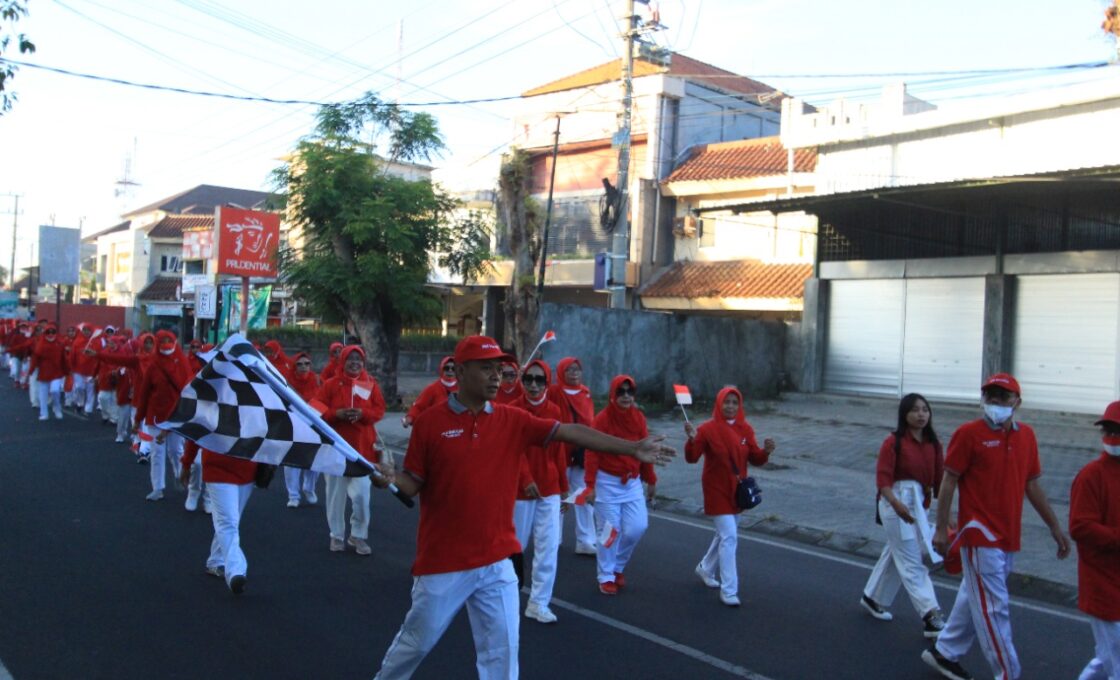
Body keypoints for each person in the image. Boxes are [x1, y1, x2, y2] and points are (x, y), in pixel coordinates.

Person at [370, 336, 674, 680]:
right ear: (461, 371)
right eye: (486, 368)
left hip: (497, 562)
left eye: (499, 369)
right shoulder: (430, 423)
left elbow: (570, 431)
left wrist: (632, 448)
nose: (496, 376)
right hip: (444, 561)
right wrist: (389, 478)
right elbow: (412, 483)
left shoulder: (512, 419)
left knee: (502, 653)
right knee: (416, 644)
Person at [922, 373, 1072, 680]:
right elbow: (949, 480)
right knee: (994, 609)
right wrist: (940, 528)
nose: (995, 401)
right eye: (990, 395)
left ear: (1017, 402)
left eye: (1003, 396)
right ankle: (1008, 674)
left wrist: (1055, 527)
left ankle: (945, 651)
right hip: (979, 535)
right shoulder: (969, 434)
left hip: (1008, 536)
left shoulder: (1026, 436)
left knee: (973, 595)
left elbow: (1032, 485)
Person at [859, 393, 945, 635]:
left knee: (897, 550)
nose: (921, 414)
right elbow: (883, 481)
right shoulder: (893, 442)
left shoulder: (934, 444)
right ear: (904, 414)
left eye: (925, 409)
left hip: (920, 504)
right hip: (895, 503)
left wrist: (946, 514)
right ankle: (931, 614)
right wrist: (896, 504)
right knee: (911, 558)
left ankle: (873, 597)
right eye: (915, 410)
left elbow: (941, 482)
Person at [684, 386, 775, 607]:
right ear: (719, 403)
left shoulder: (745, 429)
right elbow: (692, 457)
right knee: (730, 536)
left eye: (735, 402)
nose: (731, 406)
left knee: (724, 534)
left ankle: (706, 568)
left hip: (736, 492)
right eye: (727, 402)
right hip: (716, 490)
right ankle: (729, 589)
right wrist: (691, 440)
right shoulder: (707, 429)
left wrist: (766, 451)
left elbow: (755, 458)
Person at [584, 375, 657, 595]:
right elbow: (592, 452)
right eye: (621, 392)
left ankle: (617, 566)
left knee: (637, 527)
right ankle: (606, 575)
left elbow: (646, 449)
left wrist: (651, 479)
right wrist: (590, 485)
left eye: (629, 392)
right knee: (609, 531)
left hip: (632, 482)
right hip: (606, 482)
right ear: (612, 395)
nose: (626, 396)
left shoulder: (638, 418)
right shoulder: (602, 419)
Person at [511, 359, 568, 624]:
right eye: (529, 379)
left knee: (548, 547)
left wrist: (564, 489)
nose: (533, 385)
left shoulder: (554, 410)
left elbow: (559, 450)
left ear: (547, 382)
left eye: (539, 380)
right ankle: (506, 595)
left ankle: (538, 602)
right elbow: (513, 449)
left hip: (549, 487)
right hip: (521, 491)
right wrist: (525, 478)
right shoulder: (512, 409)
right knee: (516, 546)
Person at [318, 345, 386, 555]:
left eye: (359, 359)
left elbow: (379, 410)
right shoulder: (330, 384)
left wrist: (363, 414)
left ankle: (358, 535)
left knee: (361, 497)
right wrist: (335, 414)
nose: (355, 362)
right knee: (335, 496)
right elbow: (316, 410)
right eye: (351, 358)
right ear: (343, 361)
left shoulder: (371, 384)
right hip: (336, 451)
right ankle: (336, 535)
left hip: (363, 451)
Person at [1070, 401, 1120, 680]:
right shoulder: (1092, 475)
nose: (1112, 437)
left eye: (1118, 431)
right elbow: (1080, 526)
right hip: (1103, 583)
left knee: (1107, 654)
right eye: (1109, 430)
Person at [180, 440, 255, 595]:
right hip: (218, 468)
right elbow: (197, 432)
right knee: (228, 522)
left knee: (232, 521)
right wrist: (187, 462)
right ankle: (236, 571)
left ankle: (216, 560)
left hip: (247, 469)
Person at [133, 330, 193, 501]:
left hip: (176, 415)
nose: (166, 343)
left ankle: (180, 476)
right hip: (156, 417)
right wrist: (138, 419)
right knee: (157, 453)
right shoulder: (153, 364)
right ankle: (157, 488)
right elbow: (144, 394)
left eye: (169, 340)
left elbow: (189, 390)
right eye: (163, 340)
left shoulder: (183, 362)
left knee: (176, 450)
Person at [547, 357, 598, 555]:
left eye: (577, 369)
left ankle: (585, 540)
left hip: (581, 452)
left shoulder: (585, 393)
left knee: (583, 496)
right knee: (557, 496)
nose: (574, 373)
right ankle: (554, 538)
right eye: (569, 369)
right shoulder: (554, 391)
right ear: (561, 372)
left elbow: (590, 421)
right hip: (559, 450)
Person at [284, 351, 322, 508]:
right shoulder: (287, 382)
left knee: (315, 460)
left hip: (314, 424)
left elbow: (324, 399)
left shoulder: (318, 379)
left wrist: (315, 412)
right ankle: (293, 495)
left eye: (307, 363)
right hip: (294, 424)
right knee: (292, 461)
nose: (304, 367)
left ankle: (309, 488)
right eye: (299, 364)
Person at [402, 356, 457, 428]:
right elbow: (418, 406)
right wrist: (409, 418)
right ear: (441, 369)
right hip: (437, 428)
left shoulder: (463, 388)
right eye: (446, 368)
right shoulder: (432, 389)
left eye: (453, 368)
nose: (450, 371)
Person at [31, 323, 67, 421]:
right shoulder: (40, 345)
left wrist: (67, 371)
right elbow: (35, 358)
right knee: (43, 395)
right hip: (44, 373)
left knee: (55, 391)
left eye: (53, 332)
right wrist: (31, 370)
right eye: (48, 332)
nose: (50, 334)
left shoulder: (60, 344)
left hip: (56, 373)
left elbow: (64, 359)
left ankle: (57, 408)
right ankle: (44, 413)